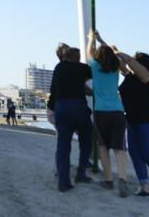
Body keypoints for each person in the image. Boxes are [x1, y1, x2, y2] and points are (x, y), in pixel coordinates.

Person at [117, 48, 149, 198]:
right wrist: (105, 44)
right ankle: (144, 186)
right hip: (133, 121)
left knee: (147, 153)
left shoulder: (147, 77)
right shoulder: (129, 77)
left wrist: (122, 54)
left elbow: (129, 62)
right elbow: (121, 65)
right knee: (135, 153)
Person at [88, 29, 130, 197]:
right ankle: (123, 179)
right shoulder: (116, 67)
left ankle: (108, 180)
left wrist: (92, 39)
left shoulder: (95, 66)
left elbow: (88, 52)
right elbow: (114, 57)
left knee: (103, 146)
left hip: (101, 111)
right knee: (120, 149)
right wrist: (101, 39)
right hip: (118, 111)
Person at [49, 44, 93, 191]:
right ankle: (81, 172)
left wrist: (52, 108)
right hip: (78, 107)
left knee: (63, 146)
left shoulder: (58, 68)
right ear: (78, 58)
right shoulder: (83, 68)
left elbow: (53, 90)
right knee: (86, 140)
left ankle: (63, 181)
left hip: (61, 107)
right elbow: (90, 77)